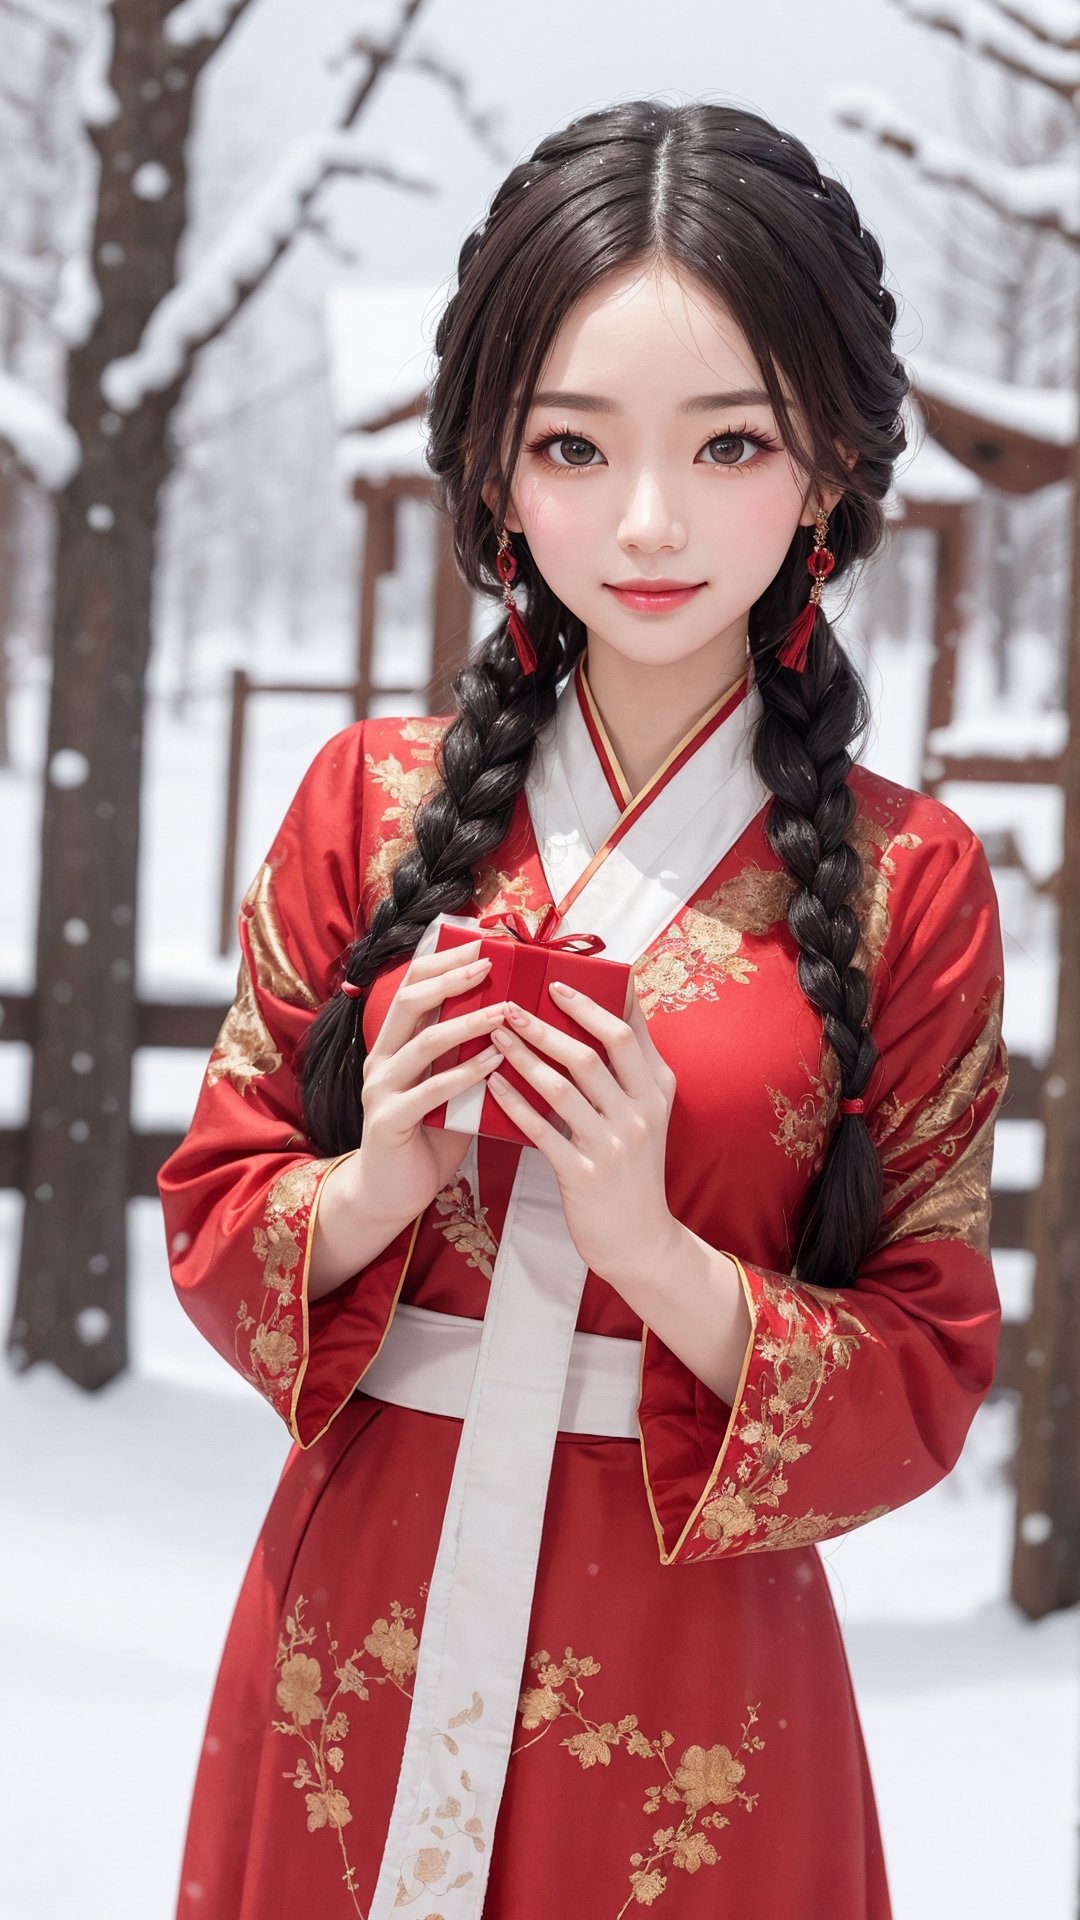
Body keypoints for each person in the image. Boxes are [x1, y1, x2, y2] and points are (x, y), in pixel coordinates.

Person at [159, 98, 1008, 1920]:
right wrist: (376, 1181)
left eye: (728, 446)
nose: (646, 521)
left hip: (697, 1668)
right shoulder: (367, 811)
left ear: (833, 471)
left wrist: (658, 1251)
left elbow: (929, 1368)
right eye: (572, 443)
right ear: (492, 469)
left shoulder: (904, 881)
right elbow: (216, 1222)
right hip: (352, 1643)